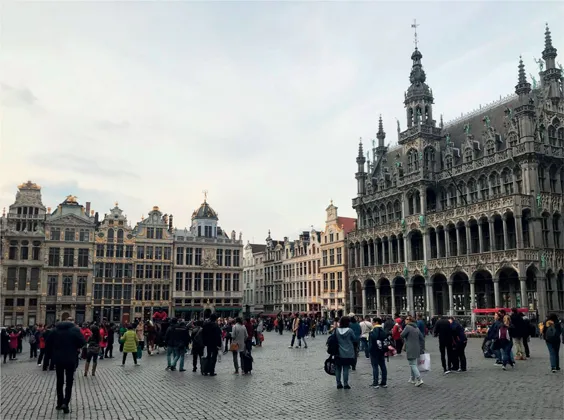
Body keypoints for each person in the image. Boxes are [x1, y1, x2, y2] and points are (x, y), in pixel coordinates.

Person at [47, 319, 86, 414]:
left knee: (59, 381)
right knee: (69, 381)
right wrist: (75, 346)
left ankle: (59, 403)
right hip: (70, 359)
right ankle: (66, 403)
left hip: (58, 359)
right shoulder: (75, 330)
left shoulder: (54, 330)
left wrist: (53, 352)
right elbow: (83, 342)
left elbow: (47, 342)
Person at [401, 315, 425, 387]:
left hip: (410, 347)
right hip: (417, 347)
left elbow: (402, 335)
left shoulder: (408, 327)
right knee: (413, 363)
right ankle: (412, 378)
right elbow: (422, 338)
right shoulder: (416, 328)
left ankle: (419, 379)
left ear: (410, 321)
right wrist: (422, 348)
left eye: (407, 319)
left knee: (412, 364)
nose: (405, 320)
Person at [334, 316, 355, 389]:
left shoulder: (336, 330)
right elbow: (354, 339)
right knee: (346, 368)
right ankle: (345, 384)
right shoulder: (350, 330)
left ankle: (338, 383)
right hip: (348, 352)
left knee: (338, 368)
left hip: (338, 352)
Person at [368, 317, 388, 389]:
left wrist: (369, 350)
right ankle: (384, 382)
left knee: (375, 366)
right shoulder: (383, 330)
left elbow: (373, 339)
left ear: (376, 322)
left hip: (374, 350)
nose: (372, 323)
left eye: (373, 322)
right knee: (383, 366)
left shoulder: (374, 330)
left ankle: (375, 383)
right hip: (382, 350)